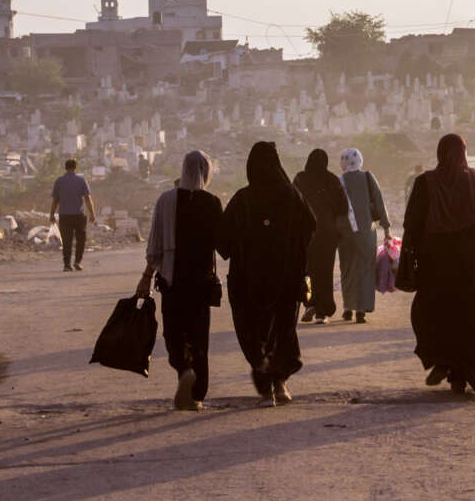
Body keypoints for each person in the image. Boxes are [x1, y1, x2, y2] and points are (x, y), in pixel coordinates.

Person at [217, 142, 315, 406]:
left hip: (250, 282)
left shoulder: (243, 199)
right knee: (283, 330)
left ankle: (265, 386)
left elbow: (222, 241)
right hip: (286, 277)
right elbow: (310, 225)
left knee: (255, 331)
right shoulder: (292, 195)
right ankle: (281, 384)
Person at [402, 134, 475, 395]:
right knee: (470, 314)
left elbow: (412, 224)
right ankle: (468, 370)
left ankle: (443, 360)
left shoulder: (425, 183)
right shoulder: (474, 181)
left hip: (436, 260)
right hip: (471, 261)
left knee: (435, 310)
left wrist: (411, 256)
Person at [136, 150, 222, 411]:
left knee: (174, 332)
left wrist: (145, 278)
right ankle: (195, 395)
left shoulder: (166, 200)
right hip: (202, 281)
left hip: (172, 279)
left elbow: (155, 247)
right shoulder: (212, 202)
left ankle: (184, 369)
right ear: (206, 173)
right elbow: (224, 244)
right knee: (199, 338)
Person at [294, 149, 351, 324]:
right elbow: (343, 207)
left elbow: (292, 203)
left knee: (308, 270)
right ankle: (322, 311)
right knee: (325, 271)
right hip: (327, 233)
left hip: (306, 234)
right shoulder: (332, 180)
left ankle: (310, 303)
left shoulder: (300, 179)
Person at [339, 148, 391, 323]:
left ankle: (348, 307)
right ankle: (361, 310)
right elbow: (379, 202)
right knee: (365, 268)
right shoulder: (368, 177)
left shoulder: (339, 181)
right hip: (366, 232)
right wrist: (387, 229)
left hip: (345, 233)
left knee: (347, 268)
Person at [49, 158, 97, 272]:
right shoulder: (81, 180)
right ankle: (77, 262)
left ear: (65, 168)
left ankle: (67, 265)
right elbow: (87, 199)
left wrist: (51, 215)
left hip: (64, 216)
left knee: (66, 241)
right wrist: (92, 214)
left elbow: (55, 200)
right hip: (78, 216)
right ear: (75, 168)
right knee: (81, 240)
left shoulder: (59, 181)